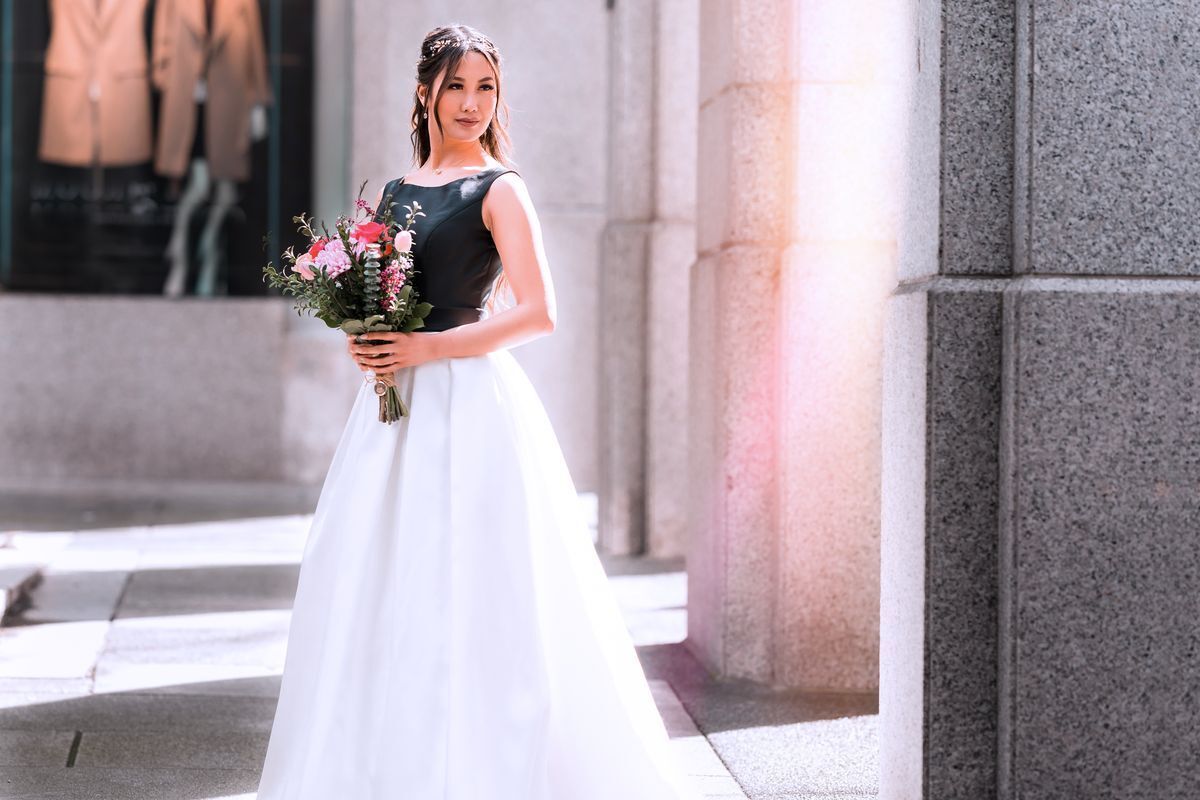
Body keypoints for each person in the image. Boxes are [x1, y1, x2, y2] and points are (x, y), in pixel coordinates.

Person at [254, 24, 697, 799]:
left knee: (473, 576)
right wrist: (369, 343)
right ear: (424, 90)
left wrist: (427, 349)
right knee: (373, 571)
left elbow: (538, 313)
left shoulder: (499, 188)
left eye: (485, 87)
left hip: (468, 404)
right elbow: (381, 297)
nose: (470, 103)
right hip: (392, 414)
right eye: (456, 85)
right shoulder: (394, 192)